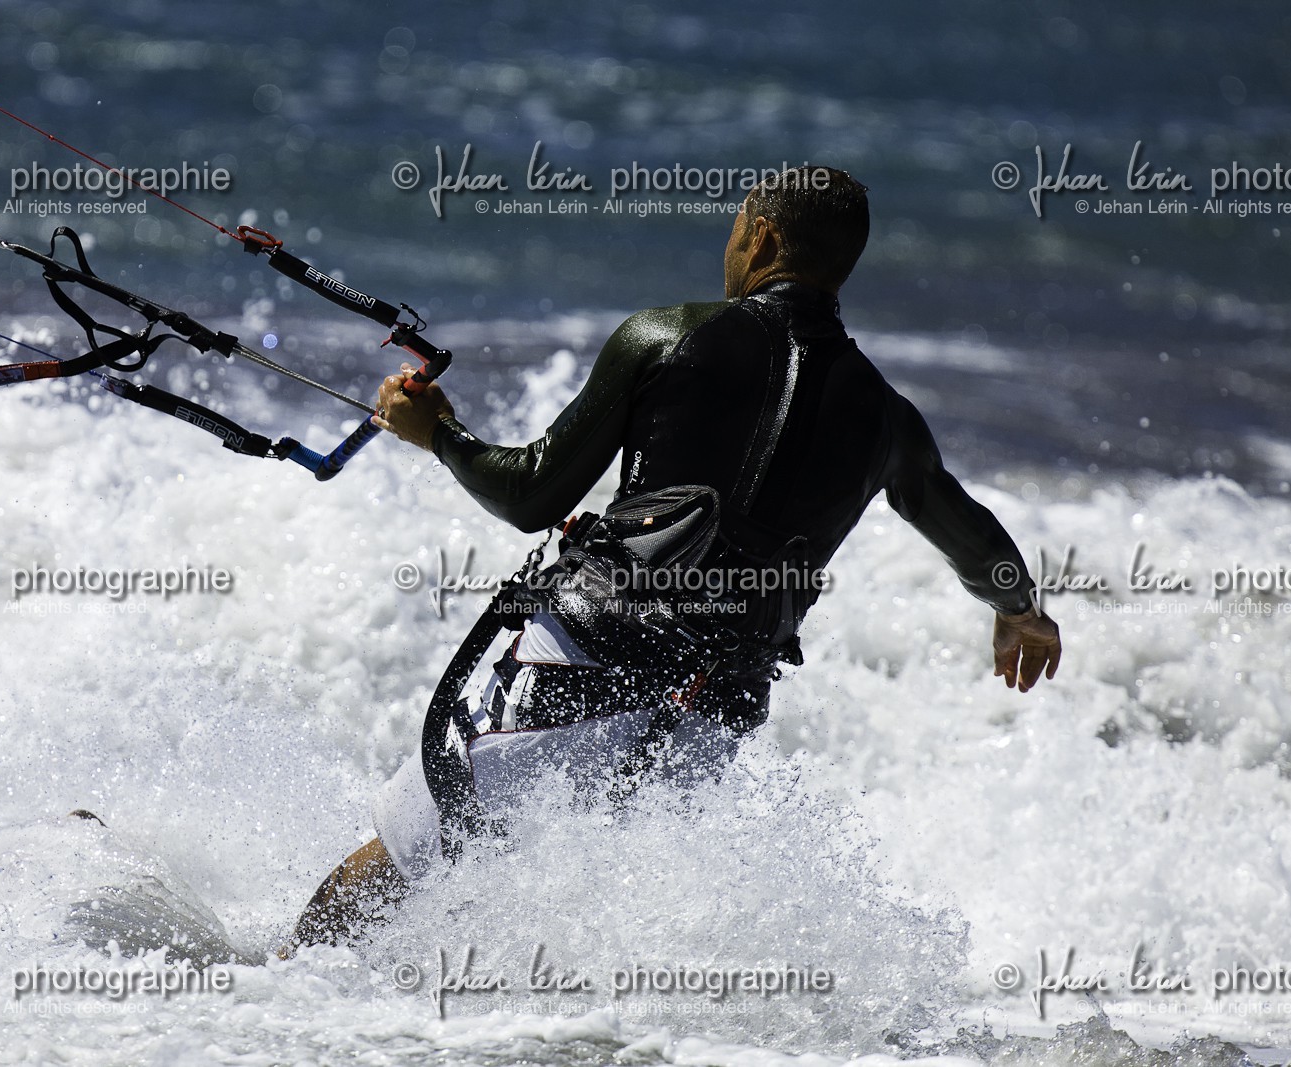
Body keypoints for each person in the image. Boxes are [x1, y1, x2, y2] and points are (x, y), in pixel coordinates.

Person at [285, 166, 1063, 951]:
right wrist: (1021, 610)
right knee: (581, 931)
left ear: (761, 237)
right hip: (708, 715)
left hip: (585, 657)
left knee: (394, 872)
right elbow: (970, 532)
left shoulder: (667, 337)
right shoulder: (886, 419)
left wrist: (438, 434)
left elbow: (527, 495)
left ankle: (278, 994)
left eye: (735, 229)